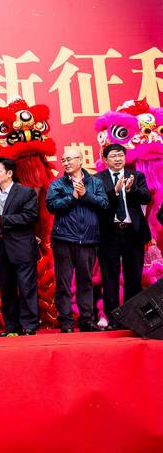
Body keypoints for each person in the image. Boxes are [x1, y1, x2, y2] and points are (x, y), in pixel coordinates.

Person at [46, 147, 108, 333]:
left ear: (80, 160)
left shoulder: (95, 183)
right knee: (63, 282)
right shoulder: (58, 184)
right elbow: (51, 206)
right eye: (63, 160)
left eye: (70, 159)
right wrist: (72, 197)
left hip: (88, 240)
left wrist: (85, 195)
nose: (66, 163)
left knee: (85, 282)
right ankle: (66, 322)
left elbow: (104, 204)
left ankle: (86, 320)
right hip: (63, 239)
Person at [96, 143, 152, 330]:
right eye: (113, 156)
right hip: (109, 233)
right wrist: (115, 192)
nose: (118, 159)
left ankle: (131, 318)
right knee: (109, 277)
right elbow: (99, 203)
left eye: (120, 155)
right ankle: (113, 318)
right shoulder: (98, 179)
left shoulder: (136, 176)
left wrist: (130, 190)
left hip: (133, 232)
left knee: (133, 276)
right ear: (105, 159)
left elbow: (146, 197)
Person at [0, 157, 40, 337]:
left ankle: (29, 325)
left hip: (22, 247)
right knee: (6, 289)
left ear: (9, 173)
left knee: (26, 287)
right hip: (0, 249)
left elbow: (30, 216)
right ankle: (11, 326)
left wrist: (3, 220)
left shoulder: (25, 192)